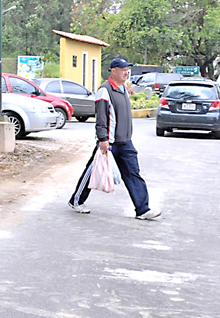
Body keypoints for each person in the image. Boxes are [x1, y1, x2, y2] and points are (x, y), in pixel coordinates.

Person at [69, 57, 162, 220]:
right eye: (123, 69)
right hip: (109, 142)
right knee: (92, 172)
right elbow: (102, 118)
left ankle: (143, 209)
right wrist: (103, 139)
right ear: (114, 71)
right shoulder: (105, 90)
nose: (127, 72)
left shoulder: (123, 88)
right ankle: (76, 201)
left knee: (133, 174)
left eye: (128, 69)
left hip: (125, 142)